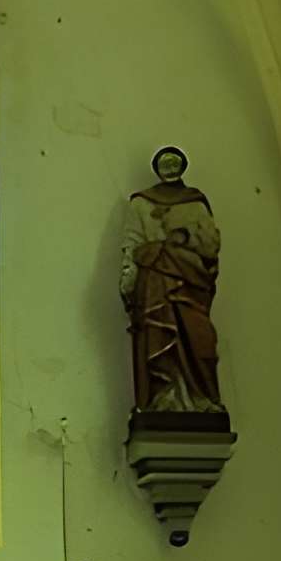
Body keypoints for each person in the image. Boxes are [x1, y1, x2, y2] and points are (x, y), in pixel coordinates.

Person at [123, 145, 224, 413]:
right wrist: (128, 281)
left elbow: (211, 244)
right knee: (158, 335)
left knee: (198, 339)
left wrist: (186, 239)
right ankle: (164, 398)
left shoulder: (195, 202)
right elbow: (132, 243)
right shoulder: (140, 203)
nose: (169, 168)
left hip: (191, 281)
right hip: (155, 282)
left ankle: (201, 399)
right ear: (157, 168)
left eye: (174, 163)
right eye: (164, 164)